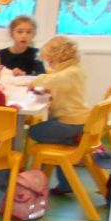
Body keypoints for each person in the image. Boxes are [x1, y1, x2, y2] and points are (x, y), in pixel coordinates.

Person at [27, 36, 89, 194]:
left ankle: (72, 140)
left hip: (70, 122)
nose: (50, 66)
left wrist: (35, 82)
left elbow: (49, 80)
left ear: (60, 58)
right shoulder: (74, 70)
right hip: (76, 121)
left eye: (51, 62)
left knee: (33, 131)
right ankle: (66, 183)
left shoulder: (70, 73)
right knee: (61, 145)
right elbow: (58, 84)